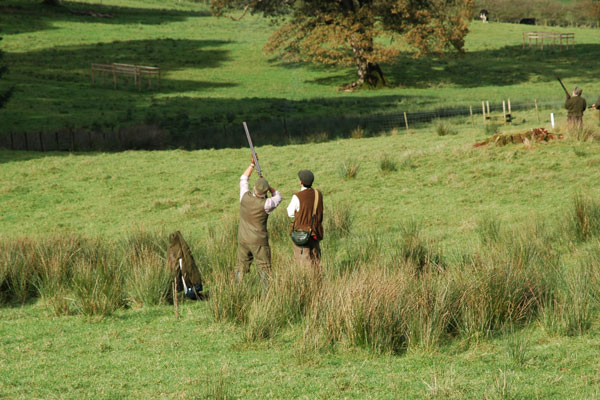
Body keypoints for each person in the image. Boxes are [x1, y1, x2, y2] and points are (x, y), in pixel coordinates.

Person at [236, 156, 281, 284]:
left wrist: (251, 165)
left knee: (241, 267)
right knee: (264, 268)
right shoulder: (267, 204)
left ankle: (236, 290)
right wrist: (267, 184)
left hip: (243, 239)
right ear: (265, 192)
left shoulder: (244, 197)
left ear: (254, 189)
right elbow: (278, 196)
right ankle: (266, 296)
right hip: (259, 241)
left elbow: (243, 179)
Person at [287, 169, 324, 268]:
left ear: (301, 182)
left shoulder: (297, 196)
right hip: (315, 232)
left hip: (302, 234)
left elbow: (290, 213)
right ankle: (319, 282)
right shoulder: (318, 194)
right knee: (316, 261)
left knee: (303, 264)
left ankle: (308, 283)